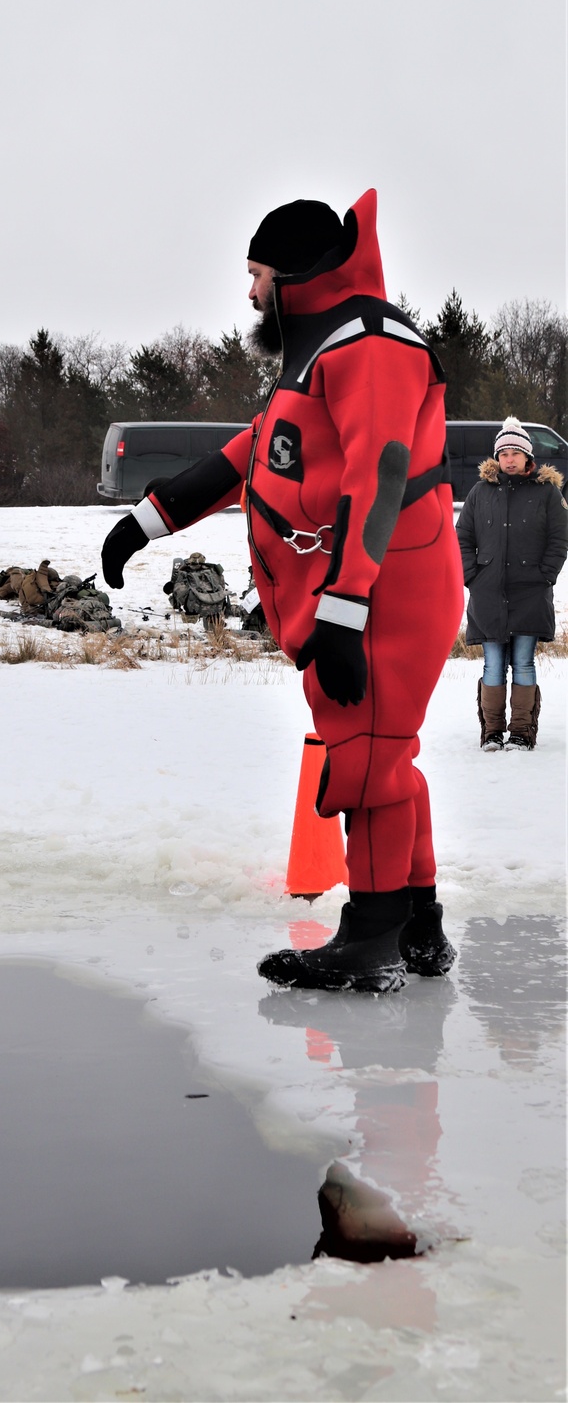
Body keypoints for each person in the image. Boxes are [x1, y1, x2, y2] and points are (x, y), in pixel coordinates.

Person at [102, 190, 464, 993]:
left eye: (259, 273)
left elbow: (382, 473)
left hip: (382, 589)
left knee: (367, 761)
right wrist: (150, 518)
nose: (251, 292)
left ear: (296, 275)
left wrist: (344, 609)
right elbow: (256, 452)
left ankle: (371, 938)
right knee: (388, 755)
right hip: (360, 592)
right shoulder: (323, 346)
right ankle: (421, 927)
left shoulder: (371, 344)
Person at [456, 417, 567, 751]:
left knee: (523, 662)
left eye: (516, 452)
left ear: (527, 456)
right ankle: (492, 731)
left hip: (530, 591)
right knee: (492, 664)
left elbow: (559, 539)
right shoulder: (479, 492)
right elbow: (463, 536)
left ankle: (522, 731)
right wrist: (471, 575)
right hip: (488, 592)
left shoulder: (547, 492)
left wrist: (545, 574)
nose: (510, 458)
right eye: (504, 452)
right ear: (497, 457)